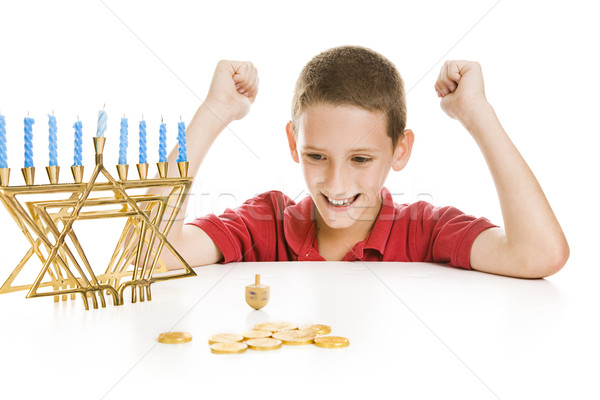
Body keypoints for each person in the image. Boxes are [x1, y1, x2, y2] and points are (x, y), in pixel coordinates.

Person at [153, 45, 568, 278]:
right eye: (317, 156)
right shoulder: (265, 223)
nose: (336, 184)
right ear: (293, 144)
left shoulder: (424, 229)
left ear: (400, 150)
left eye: (361, 158)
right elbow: (150, 251)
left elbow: (540, 254)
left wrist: (477, 114)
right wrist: (214, 112)